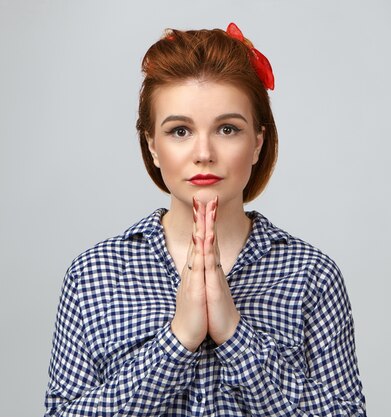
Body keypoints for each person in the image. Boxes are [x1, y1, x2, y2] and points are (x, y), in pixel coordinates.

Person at [44, 23, 366, 416]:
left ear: (257, 143)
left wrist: (235, 334)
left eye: (227, 129)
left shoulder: (311, 275)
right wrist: (178, 340)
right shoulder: (94, 275)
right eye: (179, 131)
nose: (203, 152)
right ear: (152, 146)